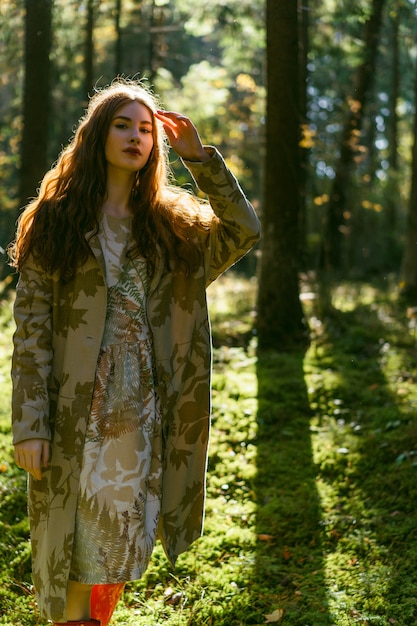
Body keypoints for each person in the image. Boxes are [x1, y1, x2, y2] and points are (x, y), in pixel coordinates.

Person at [9, 78, 260, 626]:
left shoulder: (174, 227)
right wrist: (29, 424)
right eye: (122, 124)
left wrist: (203, 161)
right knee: (72, 537)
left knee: (112, 541)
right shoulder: (56, 219)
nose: (135, 136)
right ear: (97, 135)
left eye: (146, 129)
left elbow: (243, 229)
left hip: (143, 412)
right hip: (74, 408)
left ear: (156, 146)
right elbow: (29, 329)